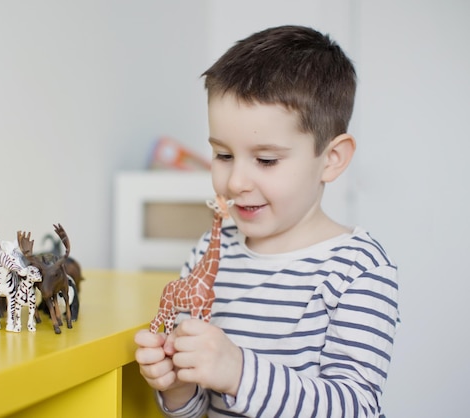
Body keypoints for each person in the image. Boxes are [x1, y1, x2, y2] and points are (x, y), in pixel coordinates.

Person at [134, 25, 400, 417]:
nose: (237, 181)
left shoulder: (358, 270)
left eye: (266, 160)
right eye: (223, 156)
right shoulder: (209, 251)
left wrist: (239, 372)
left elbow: (356, 408)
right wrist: (178, 388)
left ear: (332, 159)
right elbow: (198, 410)